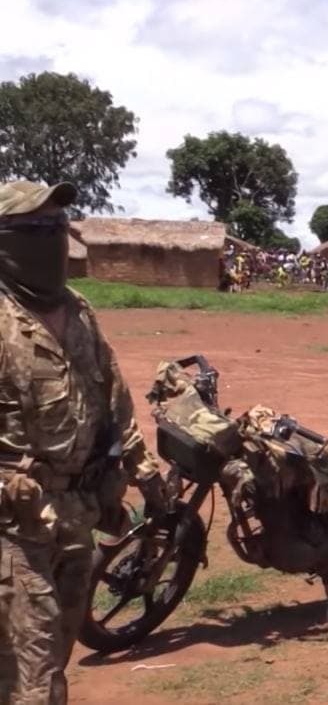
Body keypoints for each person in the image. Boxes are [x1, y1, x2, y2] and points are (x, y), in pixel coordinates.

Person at [0, 180, 171, 704]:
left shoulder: (78, 311)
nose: (51, 239)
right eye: (35, 229)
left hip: (77, 516)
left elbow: (113, 398)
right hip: (15, 528)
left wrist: (144, 473)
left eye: (57, 227)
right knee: (36, 680)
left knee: (53, 653)